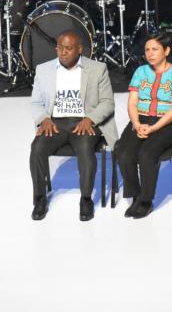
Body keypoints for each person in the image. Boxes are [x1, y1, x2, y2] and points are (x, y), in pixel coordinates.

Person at [29, 31, 118, 222]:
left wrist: (90, 119)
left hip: (84, 121)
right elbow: (36, 102)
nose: (63, 52)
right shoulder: (43, 70)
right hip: (55, 123)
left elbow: (108, 102)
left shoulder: (97, 69)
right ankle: (40, 198)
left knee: (86, 149)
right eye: (59, 47)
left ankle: (85, 199)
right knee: (37, 148)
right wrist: (44, 118)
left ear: (79, 49)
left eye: (68, 48)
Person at [115, 33, 172, 219]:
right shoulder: (140, 72)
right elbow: (132, 103)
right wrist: (136, 123)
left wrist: (154, 128)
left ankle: (146, 201)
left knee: (146, 154)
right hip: (141, 119)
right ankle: (136, 195)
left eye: (155, 49)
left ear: (167, 51)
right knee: (123, 153)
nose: (150, 53)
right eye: (147, 49)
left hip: (167, 123)